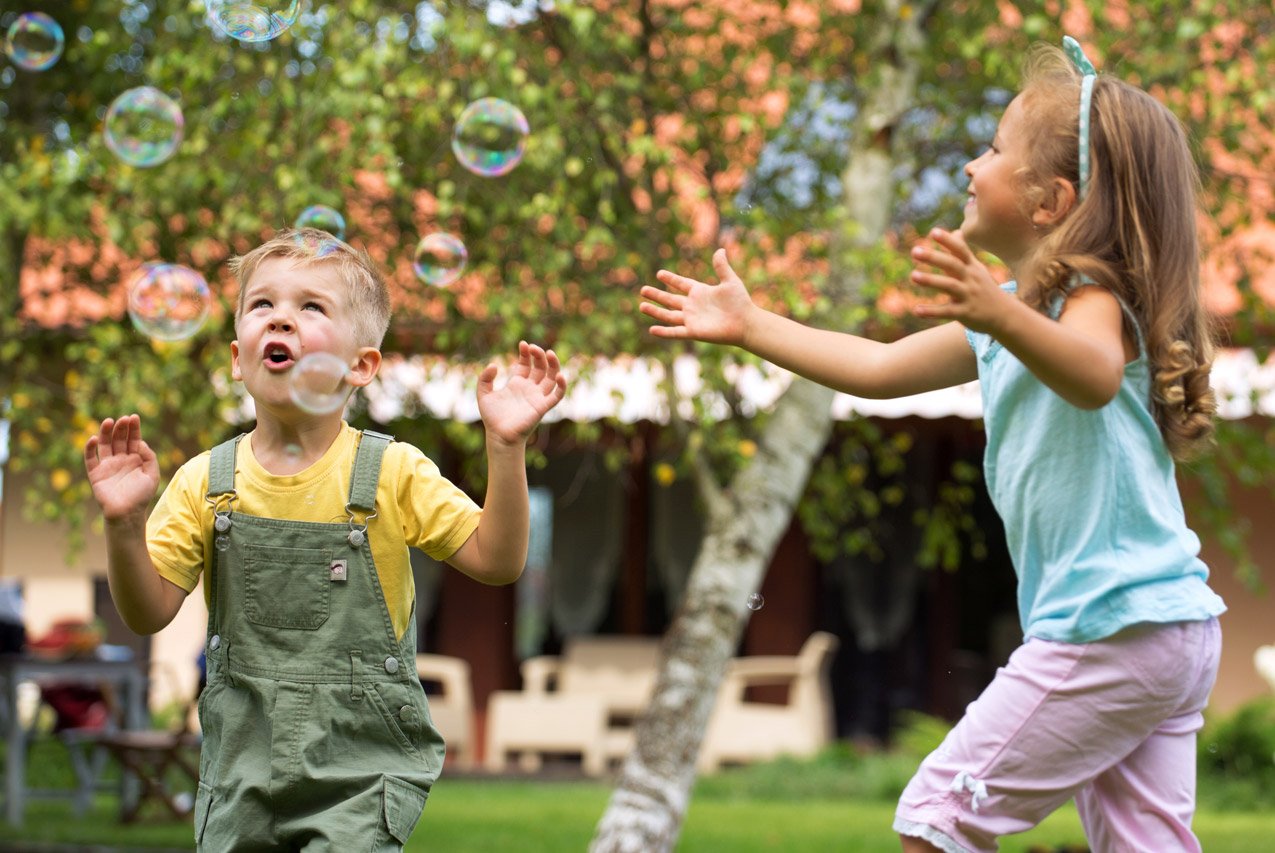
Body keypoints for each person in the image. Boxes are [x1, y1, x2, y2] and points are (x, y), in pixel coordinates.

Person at [640, 38, 1225, 853]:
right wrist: (750, 326)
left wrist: (1001, 315)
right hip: (1159, 629)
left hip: (1113, 625)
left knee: (936, 816)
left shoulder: (1091, 298)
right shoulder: (1010, 321)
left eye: (990, 148)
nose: (969, 165)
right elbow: (875, 369)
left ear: (1049, 200)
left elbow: (1092, 376)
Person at [83, 228, 566, 850]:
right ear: (238, 356)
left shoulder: (393, 472)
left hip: (359, 776)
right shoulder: (205, 480)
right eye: (263, 305)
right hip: (240, 774)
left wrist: (505, 449)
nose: (281, 318)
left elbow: (499, 563)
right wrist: (124, 525)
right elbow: (147, 613)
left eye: (311, 307)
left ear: (361, 365)